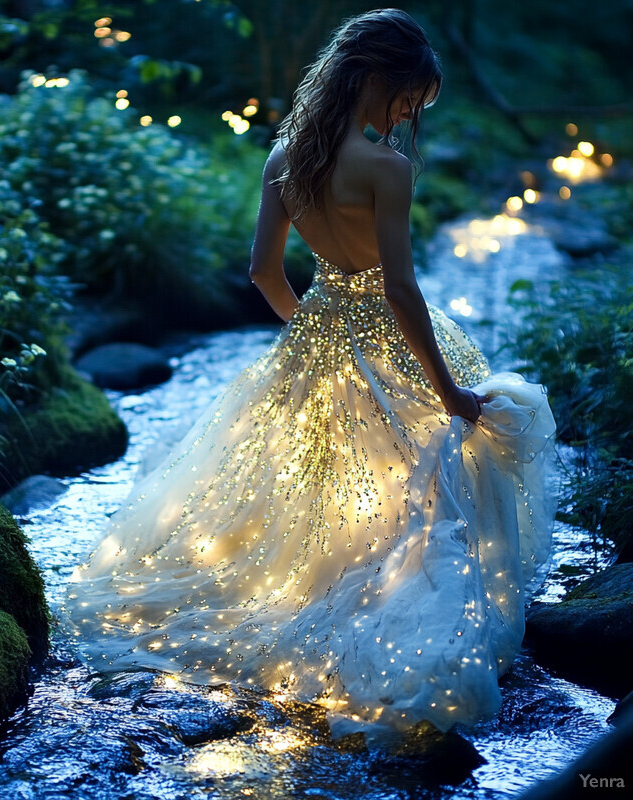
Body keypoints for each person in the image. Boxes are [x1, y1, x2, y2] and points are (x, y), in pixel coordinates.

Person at [65, 8, 555, 738]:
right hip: (388, 334)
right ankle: (383, 610)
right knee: (415, 475)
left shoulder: (284, 157)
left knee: (309, 486)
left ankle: (297, 599)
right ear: (383, 82)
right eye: (408, 102)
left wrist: (315, 332)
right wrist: (447, 389)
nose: (406, 119)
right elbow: (397, 288)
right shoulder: (386, 168)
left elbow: (263, 272)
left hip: (317, 328)